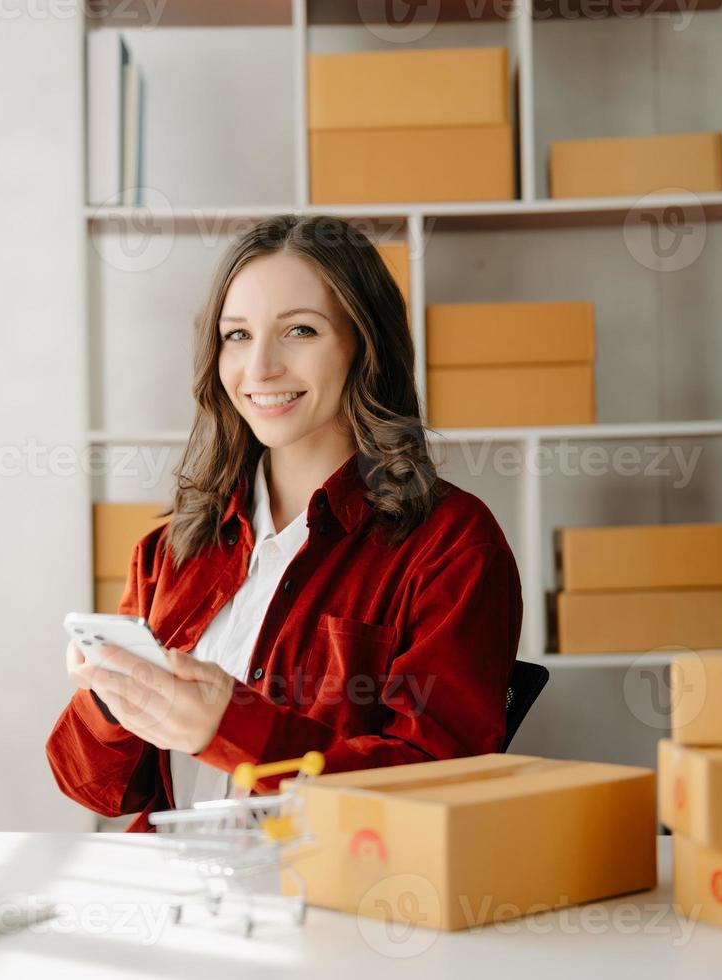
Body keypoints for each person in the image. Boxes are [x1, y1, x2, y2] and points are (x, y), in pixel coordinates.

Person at [46, 214, 522, 832]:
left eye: (299, 330)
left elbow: (434, 783)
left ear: (364, 345)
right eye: (237, 335)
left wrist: (231, 726)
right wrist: (110, 698)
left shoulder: (452, 546)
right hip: (179, 900)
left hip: (334, 901)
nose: (261, 367)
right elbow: (99, 790)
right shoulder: (174, 547)